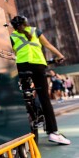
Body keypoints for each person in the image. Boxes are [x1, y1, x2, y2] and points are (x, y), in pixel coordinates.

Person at [10, 15, 71, 145]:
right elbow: (48, 45)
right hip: (37, 65)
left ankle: (25, 122)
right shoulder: (35, 31)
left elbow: (12, 53)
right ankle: (53, 133)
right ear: (26, 23)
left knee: (25, 94)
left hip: (21, 67)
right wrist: (60, 55)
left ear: (14, 27)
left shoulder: (12, 36)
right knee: (44, 98)